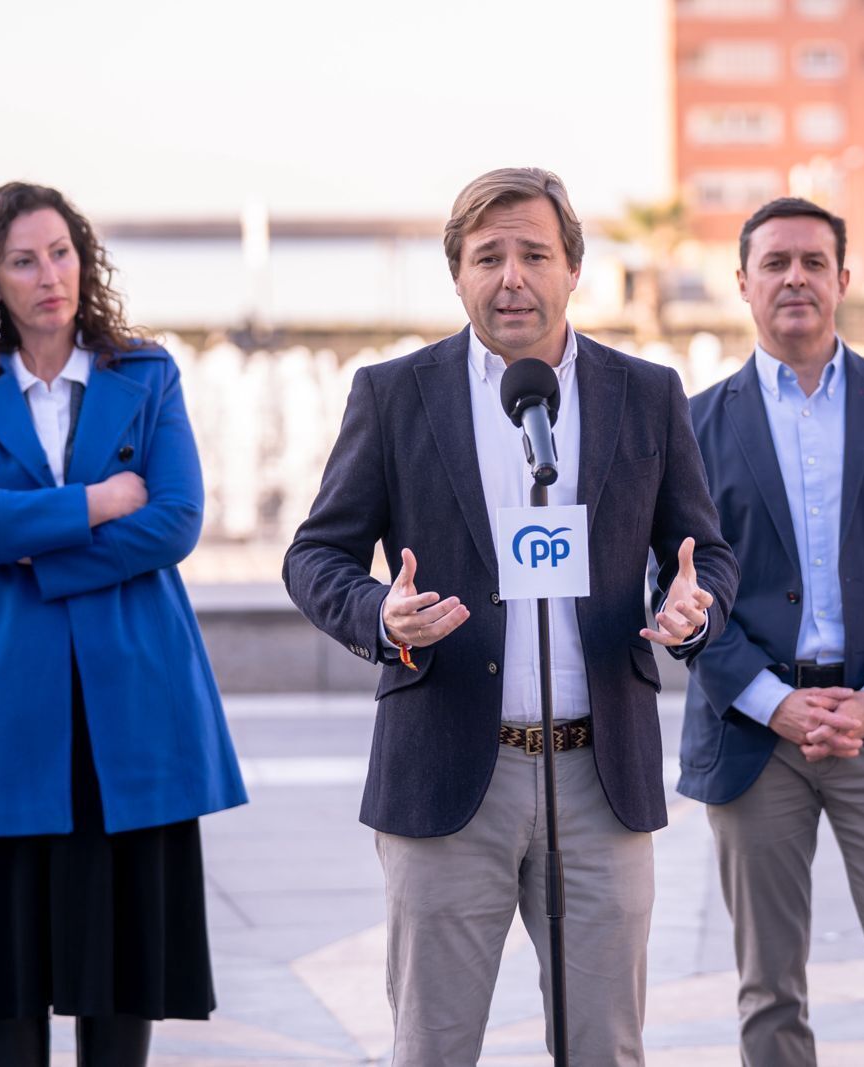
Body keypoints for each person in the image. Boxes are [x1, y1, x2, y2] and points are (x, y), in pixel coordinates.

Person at [283, 166, 738, 1066]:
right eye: (487, 256)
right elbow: (314, 555)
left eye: (534, 253)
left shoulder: (645, 393)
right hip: (451, 772)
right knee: (434, 1048)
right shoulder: (394, 393)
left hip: (600, 775)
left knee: (604, 1048)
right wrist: (382, 613)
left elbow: (704, 551)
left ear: (574, 267)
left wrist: (693, 606)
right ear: (457, 275)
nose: (511, 277)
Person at [0, 182, 247, 1067]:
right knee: (4, 971)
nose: (48, 274)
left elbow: (174, 520)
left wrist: (28, 540)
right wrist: (94, 502)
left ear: (83, 259)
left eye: (60, 252)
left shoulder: (146, 373)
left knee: (118, 961)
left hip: (124, 702)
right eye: (23, 259)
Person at [680, 197, 864, 1066]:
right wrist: (773, 703)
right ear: (742, 283)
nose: (795, 277)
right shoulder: (692, 423)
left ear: (845, 278)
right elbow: (678, 591)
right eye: (775, 263)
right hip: (751, 733)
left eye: (814, 261)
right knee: (768, 990)